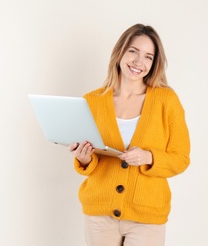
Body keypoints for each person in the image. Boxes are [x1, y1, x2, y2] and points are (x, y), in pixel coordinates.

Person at [69, 23, 190, 246]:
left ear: (154, 64)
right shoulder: (91, 101)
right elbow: (90, 159)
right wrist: (84, 158)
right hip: (99, 214)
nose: (138, 62)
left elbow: (181, 159)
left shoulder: (166, 100)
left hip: (147, 217)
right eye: (133, 51)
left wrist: (148, 157)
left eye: (148, 57)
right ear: (120, 53)